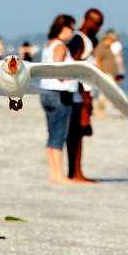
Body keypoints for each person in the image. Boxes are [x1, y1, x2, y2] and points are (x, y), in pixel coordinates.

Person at [38, 14, 77, 184]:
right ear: (64, 28)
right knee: (59, 134)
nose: (73, 32)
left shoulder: (48, 45)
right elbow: (57, 67)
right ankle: (59, 174)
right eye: (71, 28)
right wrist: (69, 76)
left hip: (45, 92)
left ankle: (54, 174)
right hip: (59, 93)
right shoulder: (60, 46)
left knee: (51, 133)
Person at [66, 8, 103, 183]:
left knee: (78, 133)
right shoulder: (79, 39)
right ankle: (76, 173)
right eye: (97, 23)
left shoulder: (87, 40)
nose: (99, 28)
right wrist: (84, 92)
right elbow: (74, 67)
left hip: (82, 93)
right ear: (88, 21)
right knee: (76, 133)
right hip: (78, 94)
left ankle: (75, 172)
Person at [92, 29, 120, 117]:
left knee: (110, 93)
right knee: (105, 93)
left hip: (110, 74)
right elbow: (97, 59)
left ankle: (116, 110)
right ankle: (99, 111)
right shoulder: (101, 47)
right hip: (105, 73)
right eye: (113, 40)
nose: (114, 42)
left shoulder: (108, 48)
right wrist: (101, 72)